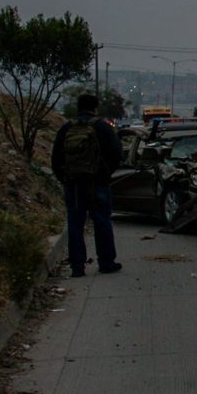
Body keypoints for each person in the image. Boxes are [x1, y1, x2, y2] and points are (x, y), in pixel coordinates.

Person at [51, 94, 123, 277]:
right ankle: (106, 262)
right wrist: (105, 175)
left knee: (75, 224)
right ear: (95, 108)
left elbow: (56, 158)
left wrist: (66, 179)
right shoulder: (103, 127)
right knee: (102, 222)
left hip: (74, 184)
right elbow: (116, 154)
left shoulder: (67, 128)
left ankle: (77, 267)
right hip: (98, 183)